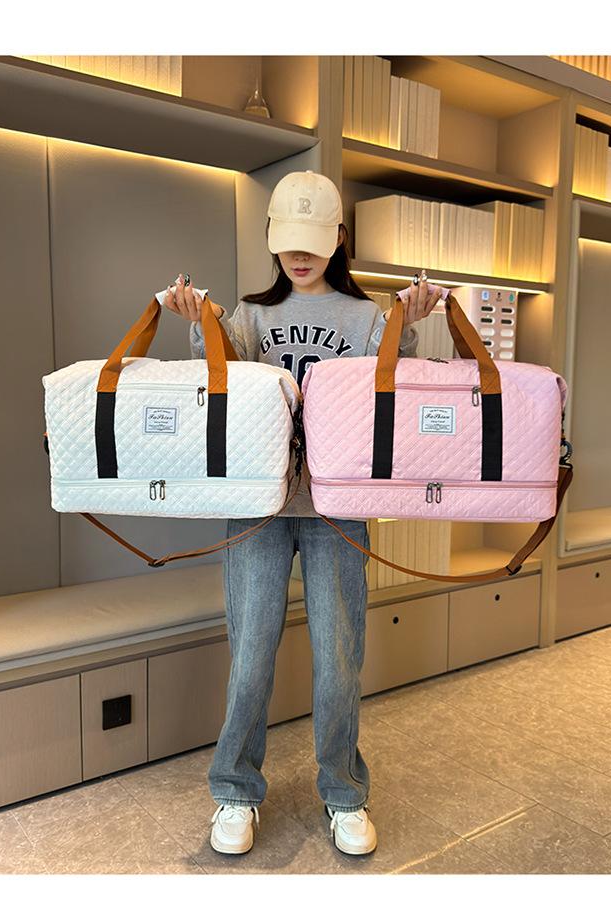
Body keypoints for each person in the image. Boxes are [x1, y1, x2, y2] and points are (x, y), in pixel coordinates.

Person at [163, 169, 444, 857]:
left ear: (339, 238)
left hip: (338, 505)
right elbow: (219, 385)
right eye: (289, 239)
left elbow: (392, 391)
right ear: (271, 237)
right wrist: (201, 323)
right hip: (259, 505)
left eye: (314, 240)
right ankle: (234, 789)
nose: (300, 254)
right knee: (250, 655)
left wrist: (408, 325)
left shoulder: (368, 317)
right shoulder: (247, 317)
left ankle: (344, 792)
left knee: (339, 659)